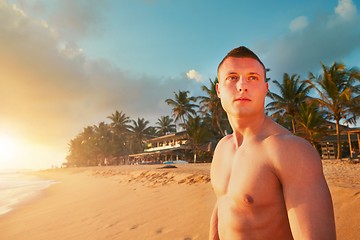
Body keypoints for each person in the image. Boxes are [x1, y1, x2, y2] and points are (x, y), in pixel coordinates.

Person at [209, 46, 336, 240]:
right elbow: (223, 208)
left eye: (253, 77)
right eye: (232, 77)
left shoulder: (290, 151)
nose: (242, 85)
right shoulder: (222, 148)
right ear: (218, 89)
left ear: (265, 89)